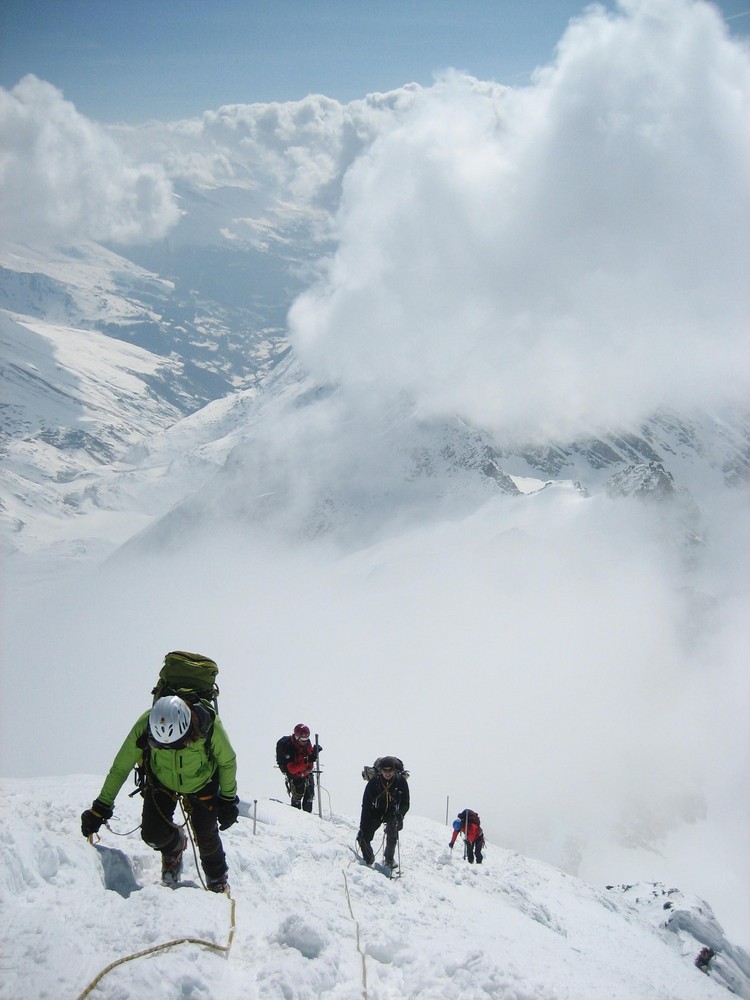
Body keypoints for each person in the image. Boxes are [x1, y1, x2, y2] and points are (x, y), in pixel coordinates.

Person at [80, 694, 239, 892]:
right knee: (152, 834)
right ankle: (174, 846)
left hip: (201, 782)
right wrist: (101, 807)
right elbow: (121, 766)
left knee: (206, 835)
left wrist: (228, 799)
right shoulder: (145, 725)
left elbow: (227, 761)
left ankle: (217, 878)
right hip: (161, 780)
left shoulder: (208, 725)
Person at [356, 756, 409, 869]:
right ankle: (368, 858)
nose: (387, 773)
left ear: (394, 770)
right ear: (380, 771)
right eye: (385, 770)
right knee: (363, 837)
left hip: (392, 813)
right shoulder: (373, 783)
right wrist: (362, 826)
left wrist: (400, 815)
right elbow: (366, 806)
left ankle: (389, 859)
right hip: (376, 812)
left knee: (392, 832)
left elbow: (405, 803)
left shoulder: (401, 782)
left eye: (390, 770)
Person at [276, 723, 321, 812]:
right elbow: (291, 768)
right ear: (297, 737)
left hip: (307, 773)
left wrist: (313, 753)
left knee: (309, 797)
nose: (305, 741)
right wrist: (308, 760)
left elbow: (308, 756)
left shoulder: (306, 743)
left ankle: (309, 819)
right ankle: (296, 818)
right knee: (298, 795)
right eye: (303, 738)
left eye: (306, 738)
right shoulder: (289, 747)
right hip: (296, 775)